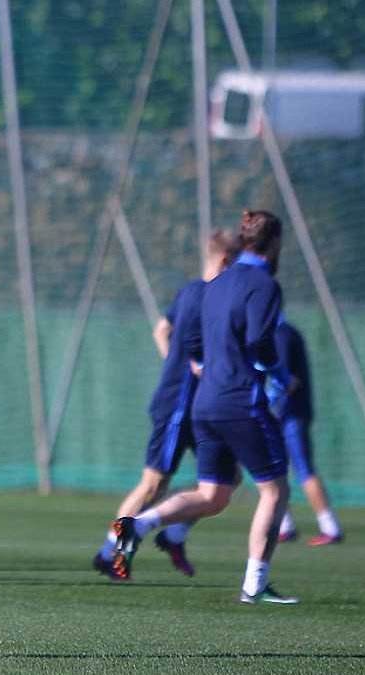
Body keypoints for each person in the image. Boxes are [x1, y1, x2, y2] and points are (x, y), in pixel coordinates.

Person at [112, 210, 298, 605]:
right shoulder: (264, 284)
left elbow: (191, 339)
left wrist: (203, 363)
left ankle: (138, 525)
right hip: (240, 399)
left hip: (205, 402)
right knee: (275, 491)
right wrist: (281, 376)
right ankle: (255, 585)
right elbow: (260, 341)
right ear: (275, 243)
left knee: (214, 494)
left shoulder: (214, 284)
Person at [92, 230, 237, 580]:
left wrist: (174, 362)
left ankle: (173, 536)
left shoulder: (190, 290)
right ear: (225, 261)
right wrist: (185, 370)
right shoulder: (207, 297)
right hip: (179, 406)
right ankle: (110, 552)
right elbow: (188, 345)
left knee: (226, 479)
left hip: (201, 406)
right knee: (153, 485)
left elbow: (161, 330)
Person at [268, 318, 343, 546]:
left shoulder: (282, 334)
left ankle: (330, 527)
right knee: (273, 470)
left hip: (291, 414)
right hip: (281, 413)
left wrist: (266, 400)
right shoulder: (276, 332)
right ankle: (284, 526)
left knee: (303, 468)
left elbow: (286, 380)